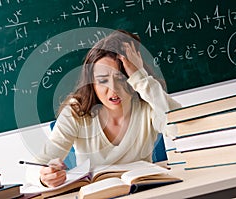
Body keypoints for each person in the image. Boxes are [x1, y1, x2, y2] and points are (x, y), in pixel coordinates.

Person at [26, 29, 181, 188]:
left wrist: (141, 78)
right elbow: (35, 166)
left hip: (145, 191)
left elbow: (181, 130)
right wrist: (43, 177)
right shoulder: (76, 111)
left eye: (121, 78)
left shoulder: (148, 104)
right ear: (91, 83)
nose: (113, 89)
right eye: (102, 80)